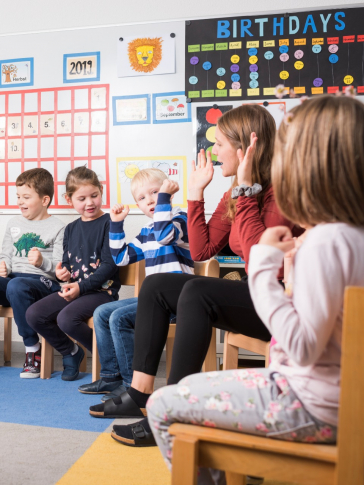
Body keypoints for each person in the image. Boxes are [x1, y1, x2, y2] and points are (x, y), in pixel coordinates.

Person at [147, 94, 364, 482]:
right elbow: (203, 248)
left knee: (164, 404)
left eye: (291, 148)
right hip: (337, 397)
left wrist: (264, 269)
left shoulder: (326, 239)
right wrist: (197, 193)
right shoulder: (349, 236)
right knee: (175, 294)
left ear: (309, 160)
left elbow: (301, 345)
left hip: (310, 403)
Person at [109, 104, 303, 446]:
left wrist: (245, 191)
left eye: (221, 143)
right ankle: (140, 394)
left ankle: (172, 414)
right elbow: (202, 250)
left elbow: (262, 256)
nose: (214, 151)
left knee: (198, 291)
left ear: (245, 147)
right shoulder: (234, 193)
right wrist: (196, 193)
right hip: (254, 292)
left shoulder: (283, 190)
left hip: (284, 302)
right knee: (156, 285)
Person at [83, 169, 193, 408]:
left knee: (120, 318)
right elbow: (121, 257)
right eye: (143, 198)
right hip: (155, 301)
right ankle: (112, 378)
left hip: (178, 300)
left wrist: (165, 197)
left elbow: (165, 236)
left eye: (156, 192)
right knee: (102, 313)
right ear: (137, 204)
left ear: (168, 192)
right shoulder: (146, 231)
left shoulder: (180, 218)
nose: (151, 200)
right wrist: (116, 224)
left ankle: (133, 387)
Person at [0, 168, 65, 377]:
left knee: (17, 285)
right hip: (13, 282)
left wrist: (42, 263)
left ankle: (32, 348)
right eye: (18, 196)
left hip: (43, 285)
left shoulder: (59, 227)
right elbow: (6, 255)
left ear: (45, 200)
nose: (20, 201)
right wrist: (4, 266)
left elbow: (59, 271)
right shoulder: (13, 223)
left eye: (26, 197)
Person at [26, 166, 121, 381]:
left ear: (102, 191)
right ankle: (72, 351)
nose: (89, 203)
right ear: (69, 200)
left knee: (67, 319)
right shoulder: (70, 229)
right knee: (34, 314)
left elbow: (110, 265)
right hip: (76, 290)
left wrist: (79, 287)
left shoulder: (110, 223)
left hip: (101, 293)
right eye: (82, 198)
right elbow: (67, 267)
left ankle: (113, 357)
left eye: (94, 196)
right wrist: (62, 274)